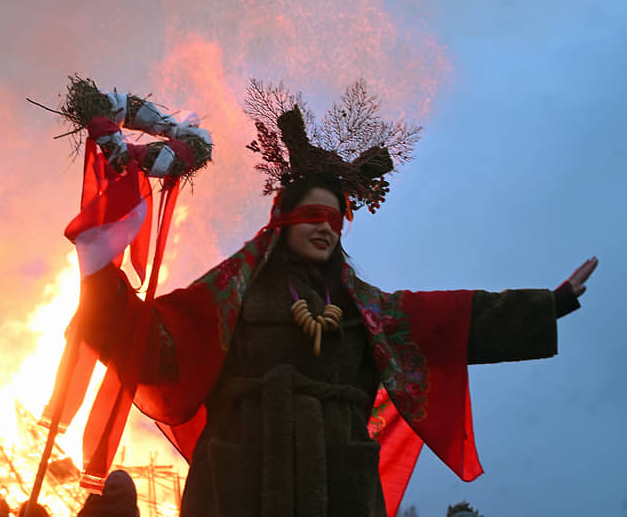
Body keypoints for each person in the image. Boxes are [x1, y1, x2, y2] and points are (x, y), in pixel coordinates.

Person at [49, 100, 597, 517]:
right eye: (311, 215)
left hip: (342, 486)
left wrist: (549, 305)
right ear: (282, 221)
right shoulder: (230, 295)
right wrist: (102, 280)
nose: (322, 227)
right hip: (240, 483)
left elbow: (455, 321)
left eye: (335, 220)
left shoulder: (367, 310)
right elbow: (156, 347)